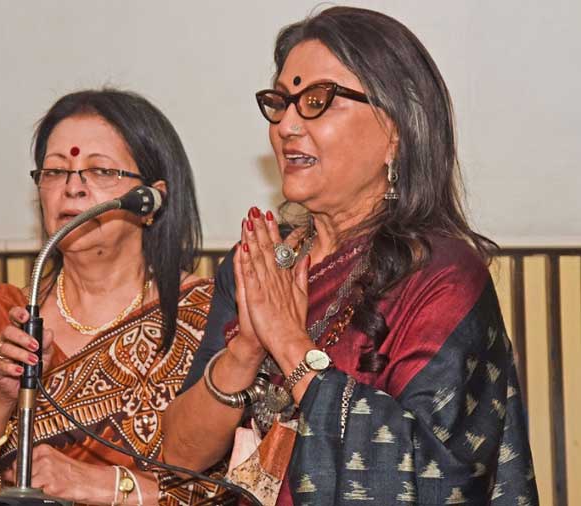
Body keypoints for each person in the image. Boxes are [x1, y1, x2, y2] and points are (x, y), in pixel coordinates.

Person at [161, 6, 538, 505]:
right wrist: (246, 351)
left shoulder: (443, 278)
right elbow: (177, 458)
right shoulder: (258, 267)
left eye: (316, 101)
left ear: (395, 130)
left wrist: (290, 346)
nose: (286, 125)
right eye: (280, 102)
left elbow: (435, 477)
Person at [0, 89, 220, 505]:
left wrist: (109, 486)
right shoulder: (10, 313)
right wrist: (1, 397)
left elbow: (242, 490)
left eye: (100, 171)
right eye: (54, 172)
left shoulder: (208, 313)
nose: (73, 189)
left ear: (151, 201)